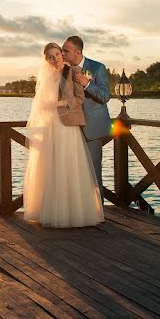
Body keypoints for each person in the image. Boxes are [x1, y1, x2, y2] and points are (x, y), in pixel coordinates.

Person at [23, 42, 104, 227]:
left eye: (57, 54)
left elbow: (79, 99)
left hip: (67, 126)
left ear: (61, 54)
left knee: (69, 167)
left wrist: (59, 104)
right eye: (50, 57)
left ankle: (73, 212)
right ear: (47, 59)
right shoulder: (47, 76)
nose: (54, 59)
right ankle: (52, 211)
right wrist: (45, 106)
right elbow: (42, 102)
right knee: (52, 166)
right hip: (51, 126)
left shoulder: (73, 72)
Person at [61, 35, 111, 199]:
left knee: (93, 170)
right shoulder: (65, 70)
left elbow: (105, 96)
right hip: (71, 127)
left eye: (66, 51)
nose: (62, 54)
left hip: (92, 127)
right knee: (72, 170)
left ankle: (98, 211)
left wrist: (87, 84)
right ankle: (79, 210)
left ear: (78, 52)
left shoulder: (97, 68)